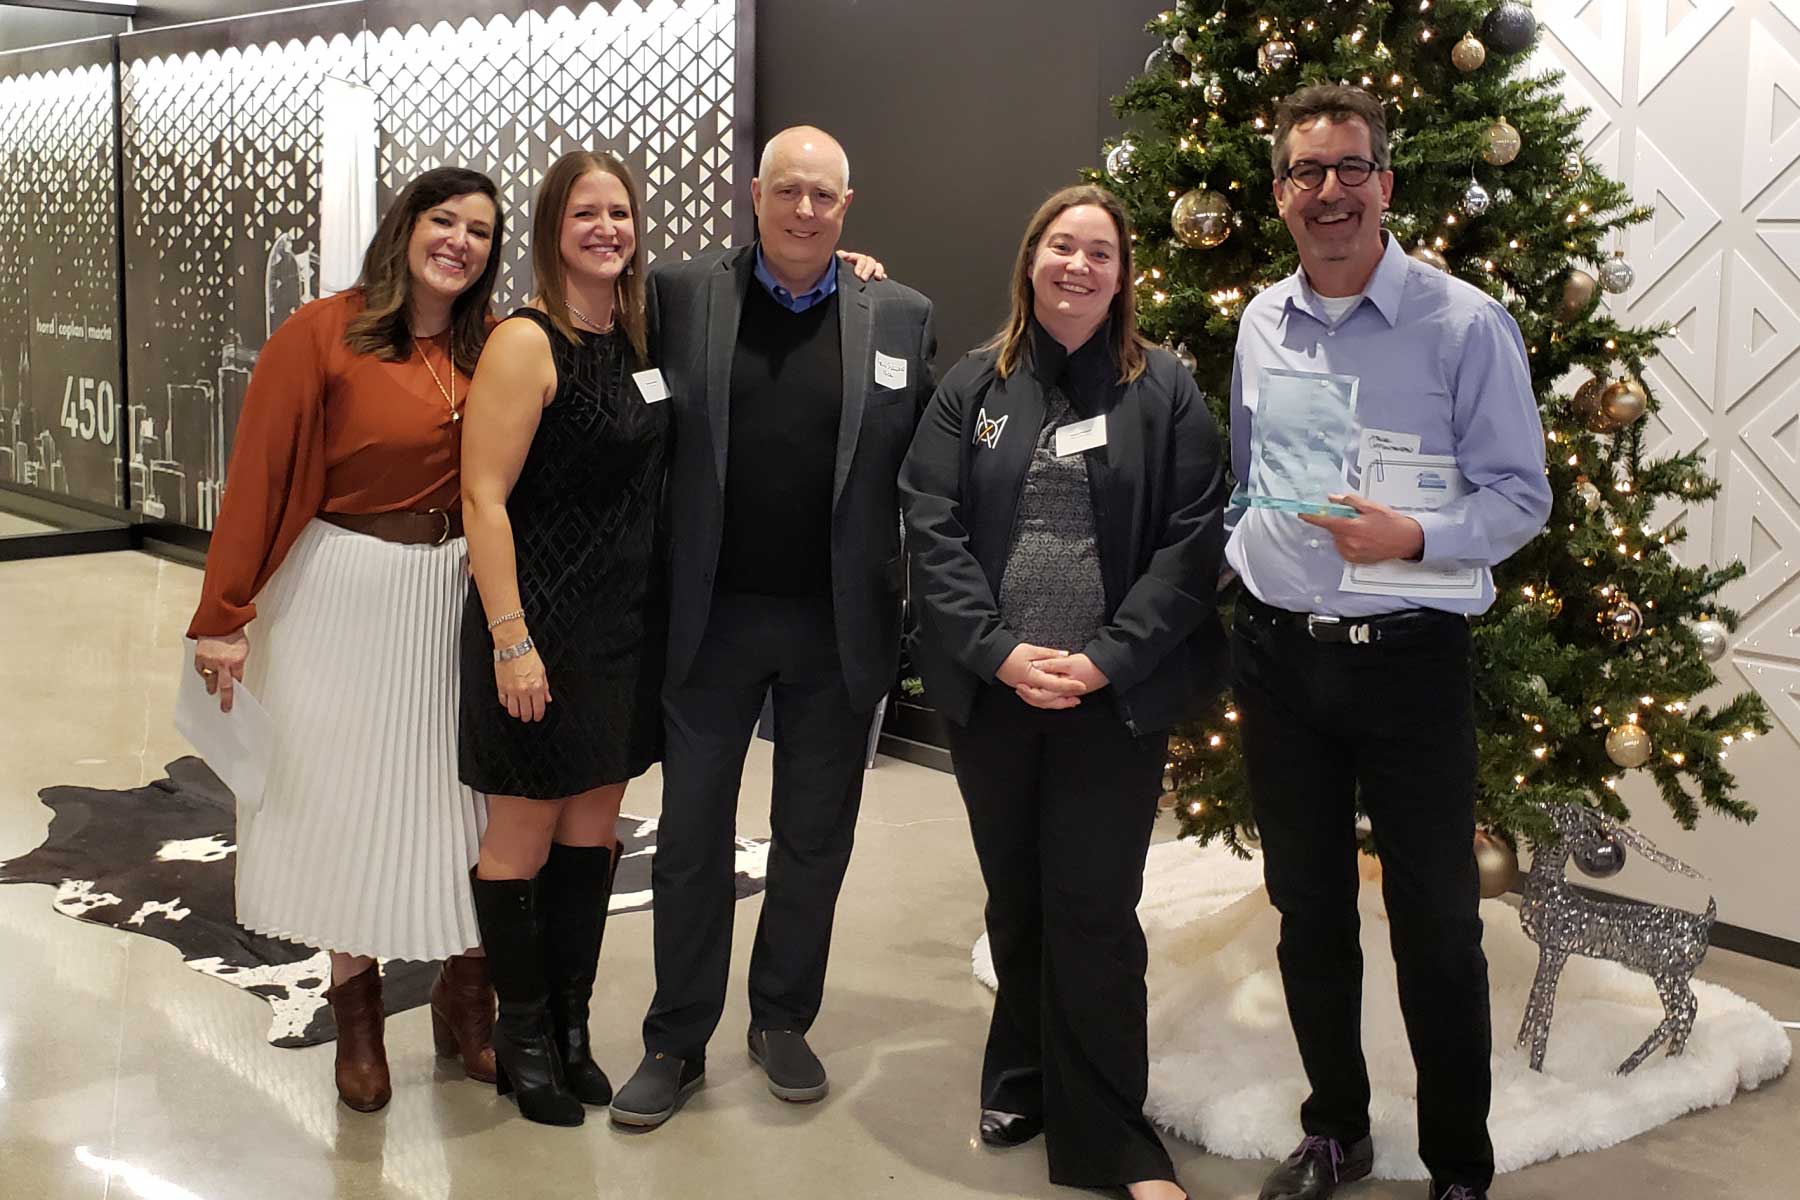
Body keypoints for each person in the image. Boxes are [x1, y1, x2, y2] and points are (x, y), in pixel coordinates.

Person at [1228, 85, 1551, 1200]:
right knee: (1308, 908)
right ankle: (1336, 1129)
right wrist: (1245, 548)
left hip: (1410, 660)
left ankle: (1459, 1162)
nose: (1330, 193)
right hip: (1281, 658)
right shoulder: (1261, 321)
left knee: (1439, 926)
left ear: (1387, 185)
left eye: (1350, 169)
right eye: (1307, 173)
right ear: (1280, 195)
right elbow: (1247, 469)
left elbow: (1521, 497)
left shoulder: (1465, 324)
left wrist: (1412, 533)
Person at [899, 184, 1225, 1200]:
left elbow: (1192, 537)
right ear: (1030, 258)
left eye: (1100, 253)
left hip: (1110, 696)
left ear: (1123, 275)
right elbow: (931, 523)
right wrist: (997, 651)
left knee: (1092, 905)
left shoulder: (1163, 390)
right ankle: (1023, 1070)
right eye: (1061, 246)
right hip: (994, 693)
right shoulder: (971, 388)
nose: (1078, 266)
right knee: (1019, 894)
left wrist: (1106, 657)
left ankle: (1114, 1142)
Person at [608, 126, 937, 1129]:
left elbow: (922, 467)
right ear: (755, 194)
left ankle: (782, 1018)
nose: (804, 211)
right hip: (710, 620)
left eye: (824, 198)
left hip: (836, 625)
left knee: (814, 839)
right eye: (787, 191)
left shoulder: (902, 316)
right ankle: (675, 1039)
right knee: (691, 839)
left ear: (849, 206)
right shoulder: (680, 295)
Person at [187, 166, 505, 1113]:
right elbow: (258, 475)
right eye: (443, 220)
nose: (460, 241)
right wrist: (223, 615)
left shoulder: (498, 344)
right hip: (339, 594)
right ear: (404, 228)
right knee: (341, 803)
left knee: (463, 809)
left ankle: (465, 998)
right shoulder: (322, 333)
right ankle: (357, 1012)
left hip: (455, 600)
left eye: (481, 230)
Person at [457, 149, 667, 1127]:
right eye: (586, 212)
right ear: (551, 229)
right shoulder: (524, 343)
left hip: (621, 634)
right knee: (523, 835)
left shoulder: (637, 336)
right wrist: (512, 640)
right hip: (534, 629)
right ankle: (522, 1033)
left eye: (619, 212)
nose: (606, 229)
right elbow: (483, 497)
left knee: (593, 831)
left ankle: (576, 1030)